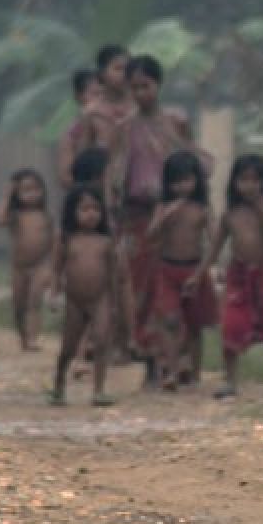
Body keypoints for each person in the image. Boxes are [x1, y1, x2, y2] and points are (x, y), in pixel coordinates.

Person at [107, 54, 186, 377]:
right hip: (136, 217)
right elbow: (114, 174)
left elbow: (189, 164)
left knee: (169, 286)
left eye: (146, 86)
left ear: (158, 85)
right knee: (139, 287)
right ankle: (151, 358)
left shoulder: (175, 122)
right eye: (135, 87)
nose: (141, 93)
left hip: (172, 215)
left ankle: (177, 359)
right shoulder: (124, 128)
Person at [191, 154, 263, 400]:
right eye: (244, 179)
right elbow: (214, 249)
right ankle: (230, 380)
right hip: (237, 276)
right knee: (231, 327)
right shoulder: (230, 216)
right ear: (234, 183)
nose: (250, 186)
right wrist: (198, 275)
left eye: (256, 180)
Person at [146, 151, 217, 390]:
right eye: (175, 182)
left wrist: (202, 272)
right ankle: (172, 370)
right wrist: (164, 216)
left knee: (195, 324)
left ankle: (195, 374)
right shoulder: (163, 207)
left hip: (194, 271)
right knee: (169, 319)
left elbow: (214, 241)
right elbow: (150, 235)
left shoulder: (203, 209)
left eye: (186, 180)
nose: (181, 187)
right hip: (167, 270)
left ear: (196, 180)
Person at [51, 184, 117, 407]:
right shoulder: (67, 241)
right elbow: (57, 268)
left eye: (96, 209)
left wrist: (118, 301)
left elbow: (116, 274)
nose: (91, 214)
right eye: (84, 209)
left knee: (101, 341)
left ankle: (99, 389)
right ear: (72, 213)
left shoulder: (106, 243)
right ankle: (59, 382)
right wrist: (54, 291)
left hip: (101, 298)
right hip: (75, 301)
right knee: (69, 346)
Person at [0, 169, 54, 352]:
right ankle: (24, 339)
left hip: (41, 265)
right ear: (17, 195)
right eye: (26, 190)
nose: (32, 194)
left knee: (35, 302)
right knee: (19, 304)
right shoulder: (15, 216)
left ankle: (34, 338)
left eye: (36, 189)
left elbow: (53, 241)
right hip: (19, 267)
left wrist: (53, 267)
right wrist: (7, 194)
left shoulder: (45, 216)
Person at [58, 69, 113, 189]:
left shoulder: (117, 125)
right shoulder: (71, 135)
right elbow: (66, 179)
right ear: (78, 97)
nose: (101, 100)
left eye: (105, 94)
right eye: (96, 94)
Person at [94, 45, 136, 123]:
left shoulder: (140, 104)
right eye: (118, 68)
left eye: (128, 68)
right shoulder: (94, 113)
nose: (125, 74)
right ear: (102, 73)